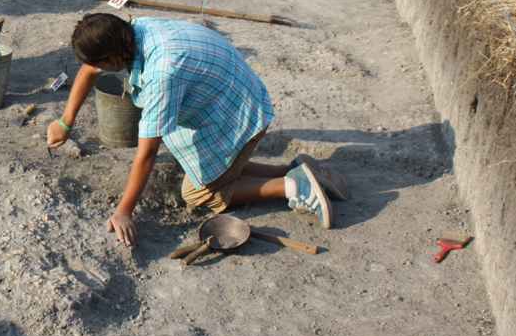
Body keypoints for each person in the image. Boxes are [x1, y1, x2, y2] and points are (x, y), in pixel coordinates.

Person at [47, 13, 347, 247]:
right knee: (205, 165)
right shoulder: (134, 31)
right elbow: (90, 69)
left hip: (237, 115)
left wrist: (124, 211)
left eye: (101, 63)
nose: (97, 67)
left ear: (113, 57)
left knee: (198, 193)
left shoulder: (162, 72)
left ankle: (293, 187)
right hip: (229, 94)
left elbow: (147, 155)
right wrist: (65, 122)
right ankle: (294, 169)